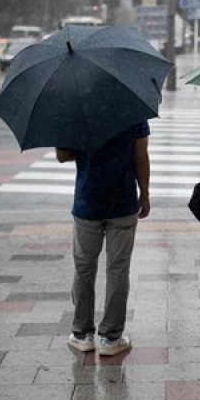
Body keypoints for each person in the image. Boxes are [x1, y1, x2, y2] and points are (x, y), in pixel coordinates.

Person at [56, 121, 151, 357]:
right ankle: (111, 337)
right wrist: (145, 193)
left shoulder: (76, 111)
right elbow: (141, 157)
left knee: (84, 268)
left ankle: (82, 334)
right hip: (123, 203)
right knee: (118, 270)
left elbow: (62, 155)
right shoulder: (133, 111)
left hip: (87, 204)